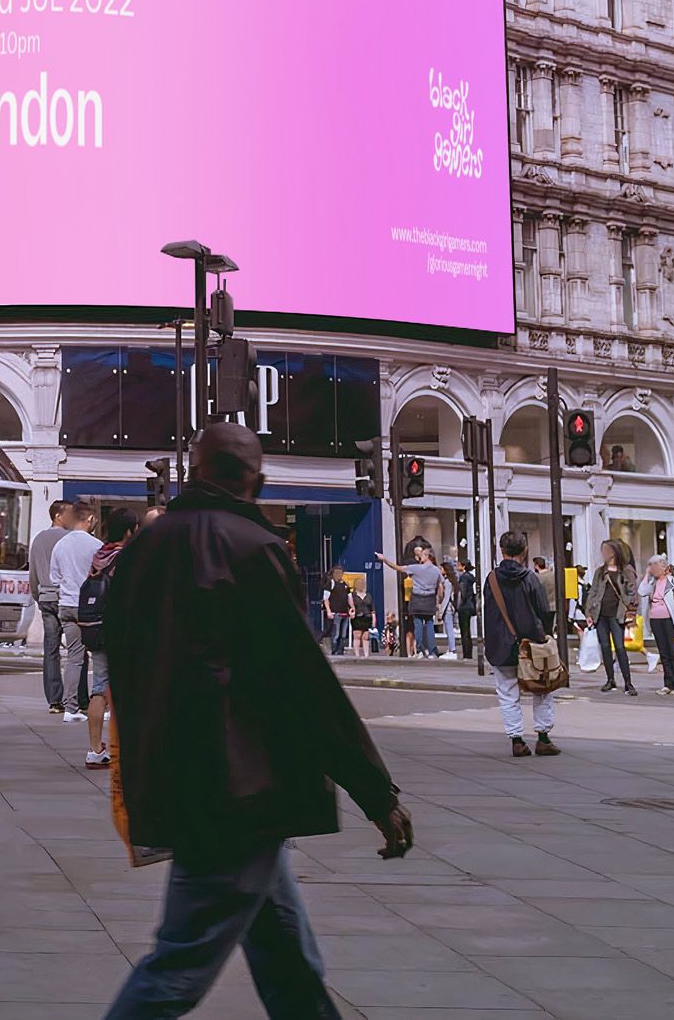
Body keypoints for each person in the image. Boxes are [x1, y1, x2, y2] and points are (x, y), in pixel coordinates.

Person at [105, 423, 411, 1020]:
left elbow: (129, 665)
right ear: (258, 480)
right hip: (239, 788)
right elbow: (302, 682)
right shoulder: (253, 546)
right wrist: (377, 793)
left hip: (181, 776)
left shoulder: (146, 547)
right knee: (181, 963)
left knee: (285, 955)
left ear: (193, 471)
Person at [482, 530, 561, 756]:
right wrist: (545, 635)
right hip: (532, 643)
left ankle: (517, 741)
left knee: (507, 693)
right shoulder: (530, 578)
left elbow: (488, 611)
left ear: (502, 550)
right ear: (524, 550)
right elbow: (544, 610)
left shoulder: (492, 579)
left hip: (501, 645)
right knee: (542, 689)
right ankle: (543, 738)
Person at [79, 508, 134, 770]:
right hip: (120, 632)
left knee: (99, 688)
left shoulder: (99, 556)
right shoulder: (125, 559)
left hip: (96, 629)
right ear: (129, 531)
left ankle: (94, 749)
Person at [48, 509, 103, 724]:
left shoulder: (60, 544)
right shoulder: (95, 545)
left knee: (74, 657)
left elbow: (54, 577)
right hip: (89, 607)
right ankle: (99, 702)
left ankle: (70, 707)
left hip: (67, 605)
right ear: (89, 519)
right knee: (99, 654)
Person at [31, 502, 77, 713]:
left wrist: (37, 595)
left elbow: (33, 571)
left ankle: (54, 700)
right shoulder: (69, 539)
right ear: (58, 515)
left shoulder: (39, 538)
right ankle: (76, 698)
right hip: (65, 597)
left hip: (45, 596)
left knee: (51, 649)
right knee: (77, 649)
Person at [375, 541, 446, 657]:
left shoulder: (415, 568)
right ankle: (432, 650)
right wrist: (439, 601)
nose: (418, 558)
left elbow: (397, 568)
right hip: (430, 599)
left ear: (427, 556)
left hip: (417, 598)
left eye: (421, 555)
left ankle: (419, 649)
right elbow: (441, 587)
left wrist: (384, 559)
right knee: (429, 624)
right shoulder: (436, 570)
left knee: (417, 624)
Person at [586, 540, 638, 696]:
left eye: (606, 550)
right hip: (600, 614)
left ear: (614, 552)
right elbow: (593, 592)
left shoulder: (625, 571)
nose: (603, 553)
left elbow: (632, 592)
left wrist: (629, 606)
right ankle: (610, 680)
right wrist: (589, 612)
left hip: (617, 615)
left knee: (620, 648)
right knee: (605, 647)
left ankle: (628, 683)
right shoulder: (600, 572)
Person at [639, 557, 674, 697]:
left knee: (673, 652)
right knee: (663, 652)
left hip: (669, 619)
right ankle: (668, 684)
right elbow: (641, 591)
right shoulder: (652, 582)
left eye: (655, 566)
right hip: (655, 620)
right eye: (651, 566)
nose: (653, 568)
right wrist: (647, 574)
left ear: (664, 567)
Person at [453, 560, 480, 661]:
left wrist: (458, 605)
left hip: (464, 607)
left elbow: (462, 593)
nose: (456, 566)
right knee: (467, 631)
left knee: (464, 631)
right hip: (470, 605)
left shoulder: (463, 578)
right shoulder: (471, 577)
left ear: (463, 566)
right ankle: (468, 652)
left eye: (458, 565)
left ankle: (467, 653)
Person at [324, 574, 355, 657]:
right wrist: (329, 611)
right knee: (336, 633)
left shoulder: (345, 584)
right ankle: (334, 651)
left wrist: (352, 608)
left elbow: (350, 597)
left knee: (343, 634)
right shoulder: (330, 583)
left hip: (345, 613)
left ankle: (341, 650)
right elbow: (326, 598)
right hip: (336, 613)